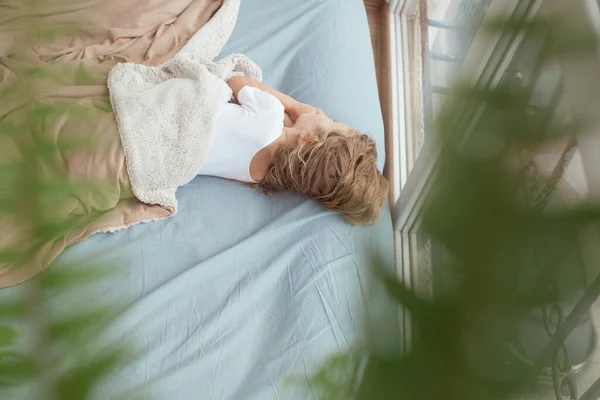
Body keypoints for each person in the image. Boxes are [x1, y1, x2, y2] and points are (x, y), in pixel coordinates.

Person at [198, 75, 389, 225]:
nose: (321, 113)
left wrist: (292, 105)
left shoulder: (271, 112)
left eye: (330, 121)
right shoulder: (261, 176)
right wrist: (298, 127)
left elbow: (235, 81)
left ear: (308, 137)